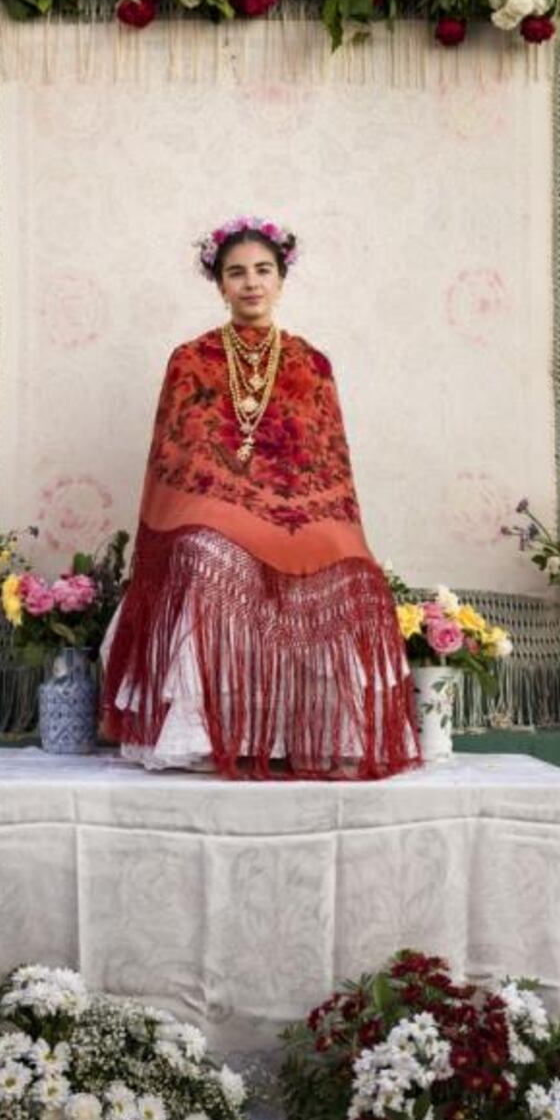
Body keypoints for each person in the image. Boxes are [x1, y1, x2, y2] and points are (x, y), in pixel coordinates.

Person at [100, 216, 420, 780]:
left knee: (341, 554)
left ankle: (314, 732)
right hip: (220, 499)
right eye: (237, 273)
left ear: (281, 280)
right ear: (219, 285)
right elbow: (182, 453)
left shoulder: (312, 362)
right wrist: (241, 496)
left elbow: (327, 453)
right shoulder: (190, 358)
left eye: (263, 271)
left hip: (300, 504)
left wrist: (285, 500)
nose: (251, 283)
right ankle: (207, 734)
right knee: (201, 544)